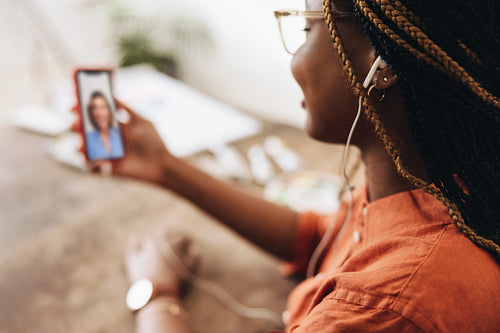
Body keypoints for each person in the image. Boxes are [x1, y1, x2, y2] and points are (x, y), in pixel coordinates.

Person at [82, 0, 500, 331]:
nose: (295, 59)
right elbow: (320, 239)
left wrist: (155, 295)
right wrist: (166, 168)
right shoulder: (442, 182)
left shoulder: (383, 311)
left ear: (382, 62)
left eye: (306, 28)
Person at [85, 91, 124, 160]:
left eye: (102, 107)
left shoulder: (121, 134)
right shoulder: (88, 139)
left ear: (109, 111)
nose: (99, 113)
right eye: (95, 108)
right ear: (91, 113)